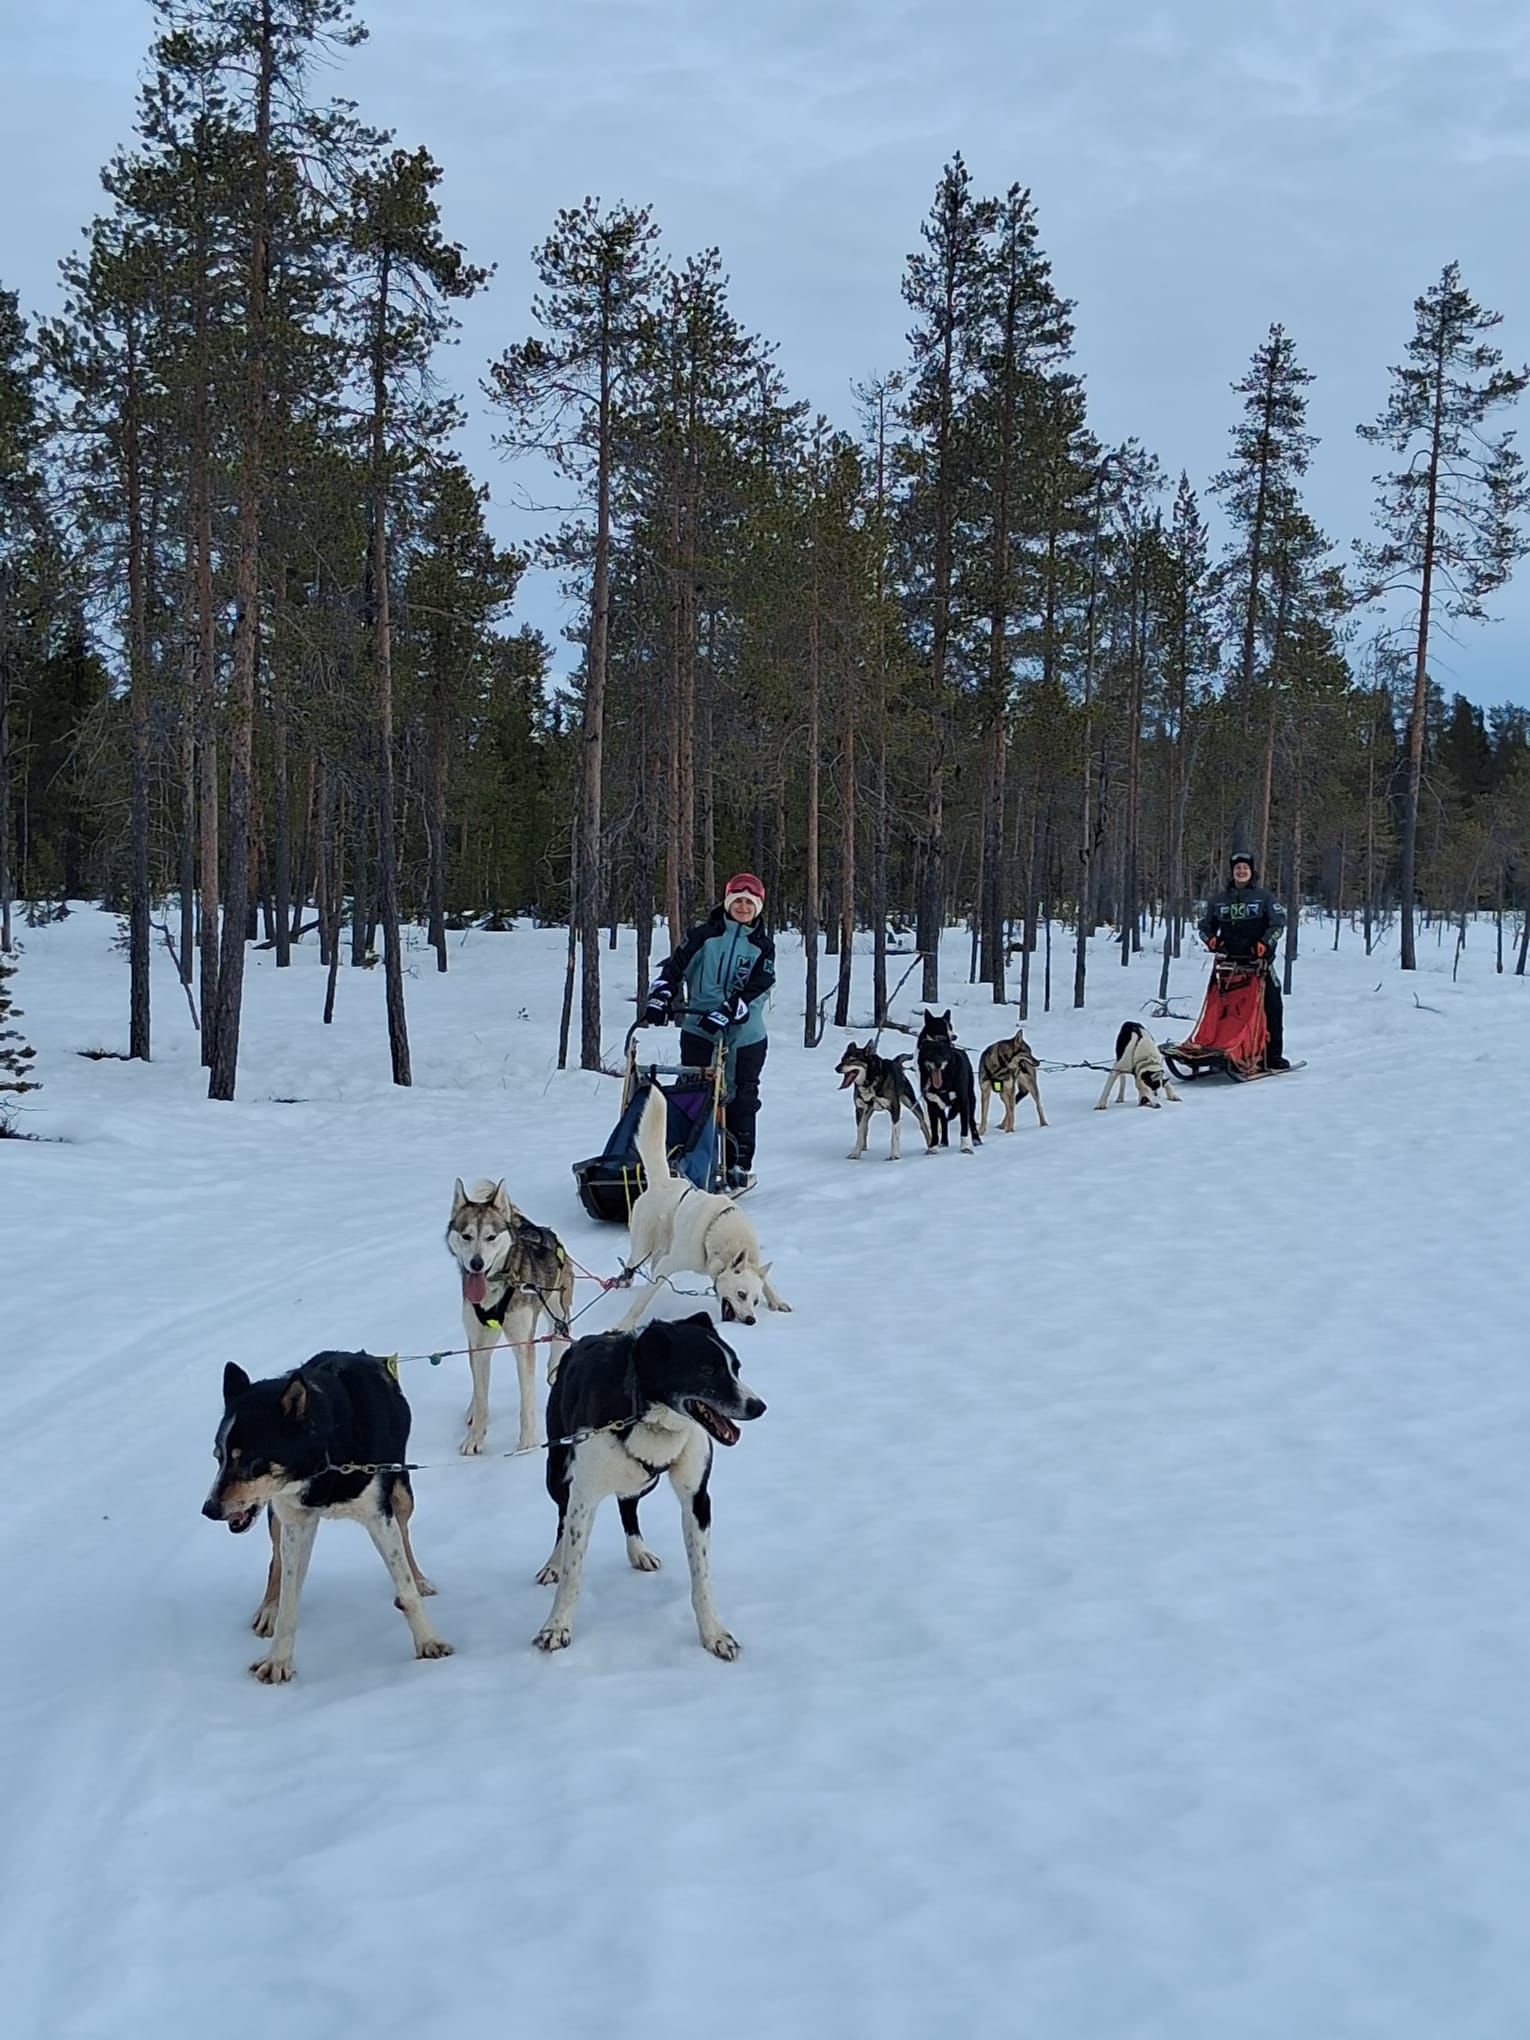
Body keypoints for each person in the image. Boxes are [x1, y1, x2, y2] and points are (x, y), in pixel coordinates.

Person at [639, 872, 775, 1189]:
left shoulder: (762, 946)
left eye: (749, 903)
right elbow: (674, 967)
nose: (743, 907)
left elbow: (760, 987)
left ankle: (738, 1164)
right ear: (727, 903)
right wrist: (660, 996)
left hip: (746, 1036)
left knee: (740, 1097)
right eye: (737, 901)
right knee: (693, 1091)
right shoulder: (704, 936)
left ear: (758, 908)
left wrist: (730, 1010)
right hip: (700, 1028)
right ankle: (684, 1158)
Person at [1198, 851, 1289, 1070]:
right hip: (1229, 966)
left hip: (1259, 964)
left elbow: (1278, 924)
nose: (1241, 872)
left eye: (1245, 868)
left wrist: (1265, 943)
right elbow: (1204, 927)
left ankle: (1272, 1055)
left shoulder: (1264, 897)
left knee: (1272, 1007)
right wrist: (1211, 941)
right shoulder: (1219, 900)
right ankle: (1223, 1048)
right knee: (1228, 1011)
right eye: (1237, 868)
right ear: (1232, 872)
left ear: (1251, 872)